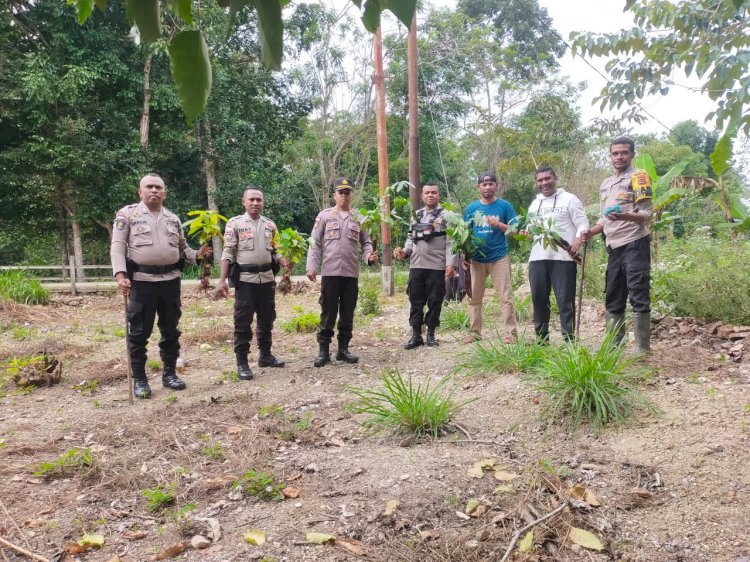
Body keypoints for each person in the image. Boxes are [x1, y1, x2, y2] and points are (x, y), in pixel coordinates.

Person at [111, 173, 210, 399]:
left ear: (165, 193)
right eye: (149, 187)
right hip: (142, 283)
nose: (154, 190)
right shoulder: (127, 215)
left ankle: (170, 374)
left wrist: (198, 255)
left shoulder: (173, 219)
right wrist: (120, 275)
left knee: (170, 330)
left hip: (170, 282)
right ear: (140, 191)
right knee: (139, 333)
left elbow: (183, 249)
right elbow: (117, 247)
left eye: (158, 187)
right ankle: (141, 380)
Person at [581, 136, 653, 354]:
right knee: (613, 293)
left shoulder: (639, 177)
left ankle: (642, 348)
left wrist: (626, 216)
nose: (619, 156)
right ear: (610, 156)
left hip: (635, 243)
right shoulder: (606, 183)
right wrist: (591, 232)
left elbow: (647, 213)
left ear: (632, 154)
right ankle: (615, 344)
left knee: (638, 292)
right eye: (615, 153)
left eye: (624, 152)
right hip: (613, 246)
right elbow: (605, 217)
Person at [218, 188, 289, 380]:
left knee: (267, 319)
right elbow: (228, 252)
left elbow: (276, 251)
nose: (255, 203)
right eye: (252, 199)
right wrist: (222, 280)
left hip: (266, 279)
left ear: (263, 203)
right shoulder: (235, 224)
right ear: (244, 202)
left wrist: (285, 263)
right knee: (243, 322)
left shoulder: (270, 225)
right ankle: (242, 362)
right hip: (245, 281)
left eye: (259, 200)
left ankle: (265, 356)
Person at [306, 177, 378, 367]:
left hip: (350, 273)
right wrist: (311, 266)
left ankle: (343, 349)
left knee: (347, 311)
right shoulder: (325, 216)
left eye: (347, 192)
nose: (344, 196)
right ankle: (323, 351)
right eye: (341, 192)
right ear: (334, 195)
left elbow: (366, 244)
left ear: (351, 195)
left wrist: (369, 257)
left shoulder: (359, 218)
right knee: (328, 311)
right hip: (330, 273)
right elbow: (315, 243)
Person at [526, 166, 589, 342]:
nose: (544, 183)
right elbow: (529, 230)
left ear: (555, 178)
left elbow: (582, 223)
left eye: (547, 179)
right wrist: (523, 232)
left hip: (563, 258)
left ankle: (569, 339)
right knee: (538, 299)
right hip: (537, 258)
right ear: (536, 183)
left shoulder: (569, 199)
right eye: (540, 180)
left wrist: (577, 241)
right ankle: (541, 339)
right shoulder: (535, 204)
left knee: (565, 300)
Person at [394, 182, 457, 348]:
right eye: (427, 192)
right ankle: (416, 335)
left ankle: (431, 334)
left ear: (439, 195)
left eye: (434, 192)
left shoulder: (447, 215)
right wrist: (404, 252)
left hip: (436, 265)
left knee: (435, 301)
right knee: (415, 300)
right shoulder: (417, 215)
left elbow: (451, 242)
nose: (430, 195)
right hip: (416, 265)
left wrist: (451, 264)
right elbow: (410, 238)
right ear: (422, 196)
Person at [463, 171, 518, 344]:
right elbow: (465, 234)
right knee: (475, 298)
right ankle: (474, 333)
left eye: (490, 183)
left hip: (499, 257)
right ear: (478, 187)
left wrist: (498, 224)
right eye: (483, 184)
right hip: (477, 259)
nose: (487, 187)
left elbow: (515, 230)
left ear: (496, 185)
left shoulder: (505, 206)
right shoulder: (471, 208)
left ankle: (511, 334)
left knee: (505, 297)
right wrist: (465, 255)